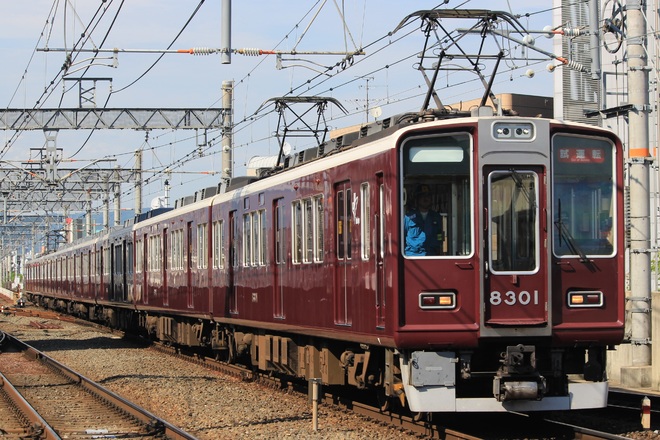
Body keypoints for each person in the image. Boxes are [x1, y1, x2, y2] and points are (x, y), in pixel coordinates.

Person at [404, 184, 443, 256]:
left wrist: (438, 246)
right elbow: (402, 236)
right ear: (417, 199)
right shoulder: (408, 217)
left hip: (431, 255)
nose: (425, 198)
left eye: (428, 196)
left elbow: (439, 235)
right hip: (412, 257)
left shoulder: (437, 217)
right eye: (422, 196)